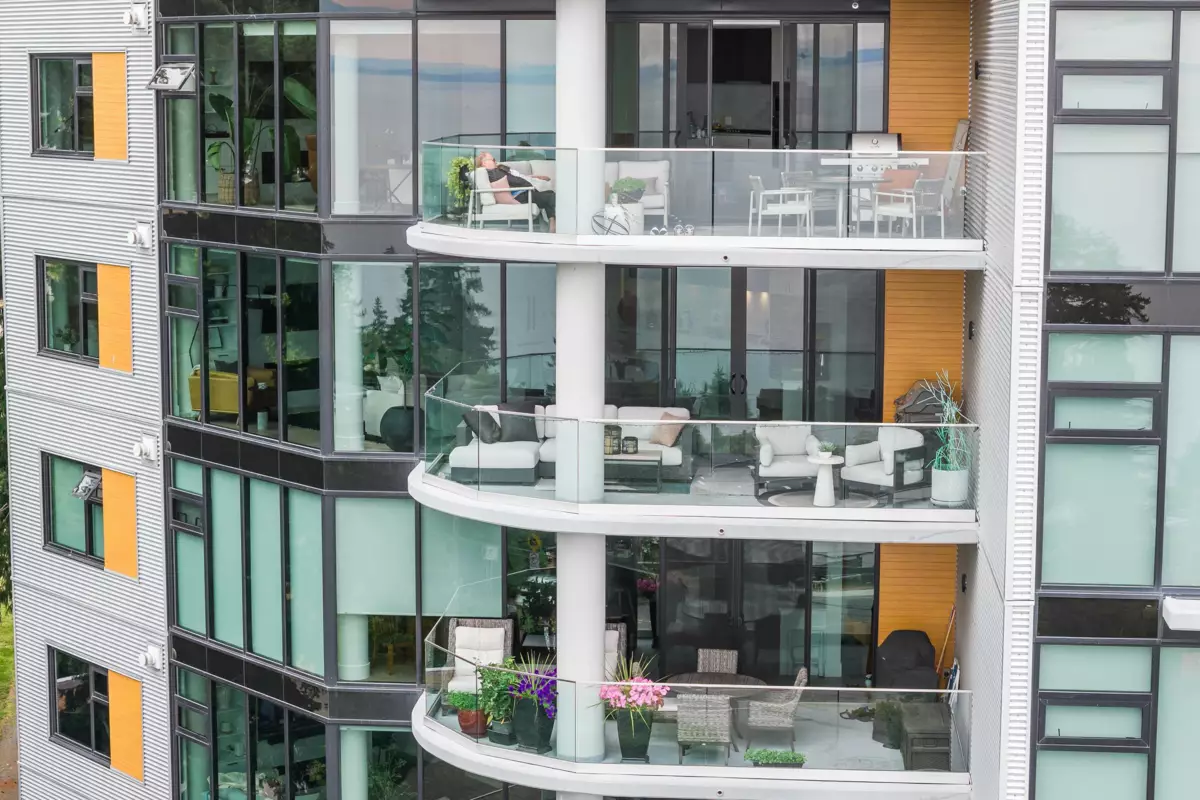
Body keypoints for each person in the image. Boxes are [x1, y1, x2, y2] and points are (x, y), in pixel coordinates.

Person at [476, 152, 556, 232]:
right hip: (519, 196)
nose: (495, 161)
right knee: (551, 197)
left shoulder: (493, 172)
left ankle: (552, 222)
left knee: (549, 193)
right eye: (493, 160)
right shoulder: (493, 173)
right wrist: (529, 186)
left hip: (521, 193)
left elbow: (513, 180)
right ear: (484, 163)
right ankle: (555, 222)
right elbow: (514, 181)